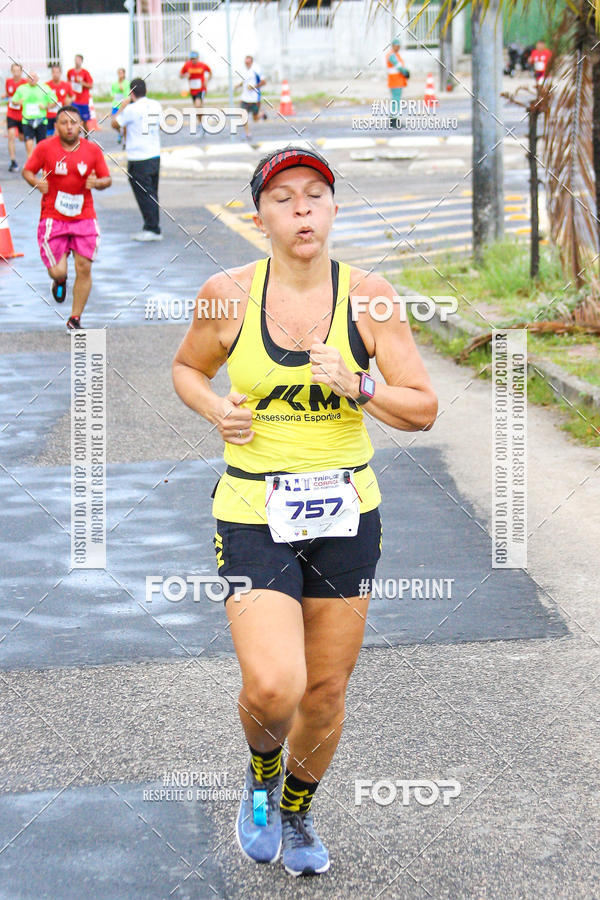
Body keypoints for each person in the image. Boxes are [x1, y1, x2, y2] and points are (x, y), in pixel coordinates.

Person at [172, 146, 437, 876]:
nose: (301, 210)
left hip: (348, 515)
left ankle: (296, 808)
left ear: (334, 209)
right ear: (259, 217)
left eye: (315, 195)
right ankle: (260, 777)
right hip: (254, 511)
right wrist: (215, 408)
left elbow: (422, 408)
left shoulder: (371, 298)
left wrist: (361, 386)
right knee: (274, 684)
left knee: (322, 692)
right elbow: (187, 368)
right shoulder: (226, 294)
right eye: (283, 198)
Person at [22, 105, 112, 330]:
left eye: (74, 122)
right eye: (64, 123)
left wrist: (98, 183)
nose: (70, 127)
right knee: (59, 269)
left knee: (84, 267)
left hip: (84, 217)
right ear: (56, 126)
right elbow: (27, 170)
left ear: (81, 125)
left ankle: (75, 318)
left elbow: (107, 178)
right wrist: (36, 182)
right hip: (54, 217)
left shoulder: (92, 151)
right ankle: (60, 280)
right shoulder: (44, 148)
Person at [111, 77, 163, 242]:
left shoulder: (131, 110)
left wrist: (122, 106)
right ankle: (152, 225)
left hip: (138, 157)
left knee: (143, 194)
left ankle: (152, 228)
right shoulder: (156, 105)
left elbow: (114, 123)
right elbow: (161, 125)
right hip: (154, 154)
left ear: (131, 93)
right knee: (152, 192)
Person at [12, 73, 58, 156]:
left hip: (41, 121)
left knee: (41, 147)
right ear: (26, 79)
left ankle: (41, 166)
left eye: (34, 77)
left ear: (38, 78)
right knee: (29, 145)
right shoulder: (22, 88)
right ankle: (31, 165)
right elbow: (13, 101)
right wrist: (19, 102)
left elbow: (54, 101)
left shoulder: (44, 88)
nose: (32, 79)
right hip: (27, 121)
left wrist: (45, 106)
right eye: (30, 77)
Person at [179, 50, 212, 133]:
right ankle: (201, 123)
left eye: (195, 58)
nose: (193, 60)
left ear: (198, 58)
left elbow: (210, 72)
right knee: (198, 108)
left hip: (201, 89)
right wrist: (185, 75)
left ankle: (201, 124)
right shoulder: (187, 65)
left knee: (198, 106)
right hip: (193, 90)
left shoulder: (202, 65)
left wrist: (207, 80)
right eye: (192, 58)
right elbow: (180, 75)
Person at [236, 55, 266, 141]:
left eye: (248, 63)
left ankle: (262, 114)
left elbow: (264, 82)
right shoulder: (244, 71)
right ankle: (248, 134)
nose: (247, 64)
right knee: (243, 115)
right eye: (246, 63)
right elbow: (245, 82)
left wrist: (254, 87)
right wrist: (239, 85)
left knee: (255, 119)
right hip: (244, 98)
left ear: (251, 62)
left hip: (254, 99)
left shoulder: (257, 70)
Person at [4, 62, 26, 172]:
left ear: (21, 72)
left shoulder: (25, 83)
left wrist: (22, 101)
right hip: (11, 113)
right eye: (14, 71)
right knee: (11, 136)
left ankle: (30, 161)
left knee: (23, 138)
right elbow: (9, 94)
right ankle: (13, 161)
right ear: (12, 71)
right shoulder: (8, 82)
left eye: (18, 71)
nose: (16, 73)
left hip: (23, 114)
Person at [67, 54, 94, 136]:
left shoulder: (85, 73)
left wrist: (82, 83)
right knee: (74, 119)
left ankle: (86, 138)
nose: (77, 61)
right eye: (76, 59)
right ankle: (76, 138)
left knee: (85, 121)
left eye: (79, 60)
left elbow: (91, 85)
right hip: (74, 100)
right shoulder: (70, 72)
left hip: (84, 100)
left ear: (81, 61)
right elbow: (68, 84)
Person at [386, 38, 409, 128]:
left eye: (399, 46)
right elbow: (398, 66)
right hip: (395, 81)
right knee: (396, 101)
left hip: (397, 81)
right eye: (396, 46)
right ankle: (394, 120)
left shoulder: (395, 54)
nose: (398, 48)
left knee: (396, 101)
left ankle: (394, 119)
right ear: (393, 46)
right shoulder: (392, 55)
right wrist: (405, 72)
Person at [46, 65, 74, 137]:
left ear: (60, 73)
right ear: (51, 73)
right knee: (49, 137)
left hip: (61, 115)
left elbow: (73, 96)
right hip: (49, 115)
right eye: (54, 72)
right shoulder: (46, 85)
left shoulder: (66, 85)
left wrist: (69, 100)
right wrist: (47, 105)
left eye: (57, 72)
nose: (55, 74)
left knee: (59, 135)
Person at [110, 67, 128, 143]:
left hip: (123, 106)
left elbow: (127, 95)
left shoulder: (127, 83)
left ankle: (125, 141)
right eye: (118, 73)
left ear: (124, 74)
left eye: (121, 73)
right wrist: (113, 95)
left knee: (124, 124)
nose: (120, 74)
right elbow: (112, 93)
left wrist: (123, 89)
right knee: (114, 122)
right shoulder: (114, 84)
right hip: (115, 105)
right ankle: (119, 132)